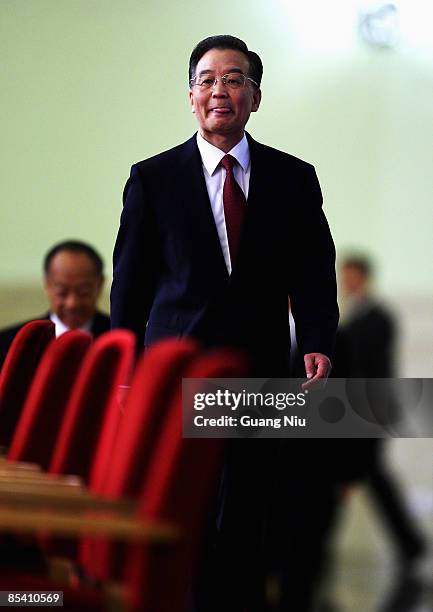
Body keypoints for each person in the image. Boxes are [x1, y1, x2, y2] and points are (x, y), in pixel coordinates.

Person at [111, 35, 339, 611]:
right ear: (190, 96)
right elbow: (130, 287)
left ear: (255, 97)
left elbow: (314, 269)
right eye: (208, 79)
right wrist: (124, 369)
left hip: (259, 373)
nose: (221, 90)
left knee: (249, 511)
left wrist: (316, 339)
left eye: (235, 79)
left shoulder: (294, 178)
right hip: (178, 375)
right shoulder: (153, 179)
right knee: (185, 508)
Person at [335, 256, 426, 565]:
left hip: (369, 408)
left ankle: (411, 543)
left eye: (351, 275)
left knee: (365, 474)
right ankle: (410, 542)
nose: (346, 282)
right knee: (369, 476)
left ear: (364, 277)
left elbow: (370, 368)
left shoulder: (376, 317)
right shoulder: (355, 316)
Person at [0, 240, 110, 368]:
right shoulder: (12, 344)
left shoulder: (118, 340)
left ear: (100, 284)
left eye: (83, 292)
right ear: (47, 284)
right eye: (62, 292)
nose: (72, 303)